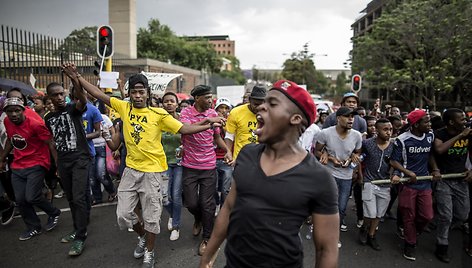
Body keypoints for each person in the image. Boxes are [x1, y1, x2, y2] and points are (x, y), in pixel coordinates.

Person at [67, 63, 224, 268]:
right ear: (129, 94)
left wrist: (209, 122)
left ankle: (150, 252)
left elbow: (184, 129)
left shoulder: (159, 115)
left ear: (147, 93)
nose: (138, 96)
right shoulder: (124, 108)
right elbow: (97, 93)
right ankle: (142, 238)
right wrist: (77, 76)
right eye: (134, 92)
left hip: (153, 172)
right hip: (131, 170)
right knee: (124, 215)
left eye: (141, 92)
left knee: (151, 217)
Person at [200, 80, 339, 268]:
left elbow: (326, 250)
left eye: (272, 104)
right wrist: (207, 259)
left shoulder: (319, 178)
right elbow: (229, 208)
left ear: (295, 119)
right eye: (263, 102)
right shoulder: (247, 154)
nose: (261, 108)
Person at [180, 85, 232, 256]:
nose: (211, 101)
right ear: (197, 98)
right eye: (207, 97)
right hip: (190, 166)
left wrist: (228, 150)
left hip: (209, 165)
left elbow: (216, 137)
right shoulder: (186, 113)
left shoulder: (212, 114)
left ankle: (207, 239)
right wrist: (208, 122)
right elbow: (186, 130)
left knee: (207, 204)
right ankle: (198, 218)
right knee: (191, 203)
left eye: (211, 97)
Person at [0, 97, 62, 240]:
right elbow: (11, 139)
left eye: (17, 110)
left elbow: (50, 143)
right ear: (6, 113)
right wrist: (2, 159)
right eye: (10, 111)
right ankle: (33, 227)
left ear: (23, 110)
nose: (14, 114)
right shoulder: (7, 122)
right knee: (21, 200)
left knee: (32, 196)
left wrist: (58, 165)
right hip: (18, 164)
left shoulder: (35, 124)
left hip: (37, 162)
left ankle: (53, 212)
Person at [44, 79, 91, 256]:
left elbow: (83, 100)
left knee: (78, 197)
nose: (60, 97)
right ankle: (78, 227)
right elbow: (53, 142)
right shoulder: (48, 118)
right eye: (55, 95)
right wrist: (57, 163)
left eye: (61, 93)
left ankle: (80, 237)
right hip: (64, 162)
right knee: (71, 198)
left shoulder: (73, 108)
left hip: (80, 159)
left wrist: (74, 78)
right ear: (49, 97)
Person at [390, 109, 441, 261]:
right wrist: (408, 172)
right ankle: (410, 243)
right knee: (409, 215)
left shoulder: (430, 136)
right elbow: (394, 161)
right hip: (408, 184)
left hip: (424, 182)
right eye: (426, 122)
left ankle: (411, 232)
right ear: (416, 124)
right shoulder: (402, 139)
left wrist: (436, 169)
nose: (429, 124)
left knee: (427, 216)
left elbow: (430, 154)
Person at [315, 107, 363, 247]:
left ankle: (334, 235)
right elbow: (317, 151)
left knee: (341, 208)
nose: (351, 119)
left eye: (352, 117)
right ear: (338, 118)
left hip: (346, 176)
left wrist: (355, 156)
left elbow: (358, 152)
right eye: (347, 117)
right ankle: (325, 234)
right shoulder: (325, 133)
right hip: (329, 174)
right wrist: (328, 156)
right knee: (329, 205)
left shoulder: (357, 136)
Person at [432, 108, 472, 262]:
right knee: (446, 216)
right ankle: (442, 245)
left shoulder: (469, 134)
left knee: (462, 215)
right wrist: (461, 135)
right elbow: (439, 150)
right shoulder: (439, 134)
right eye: (462, 119)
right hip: (444, 180)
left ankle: (438, 223)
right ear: (451, 122)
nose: (466, 121)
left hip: (461, 180)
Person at [358, 118, 394, 250]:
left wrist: (394, 174)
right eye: (385, 129)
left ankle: (371, 235)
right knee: (370, 213)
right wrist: (360, 175)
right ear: (376, 130)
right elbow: (357, 157)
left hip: (385, 184)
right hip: (369, 182)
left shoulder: (395, 145)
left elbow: (397, 162)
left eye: (390, 129)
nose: (389, 132)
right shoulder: (367, 143)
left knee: (379, 214)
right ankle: (364, 228)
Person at [161, 92, 183, 241]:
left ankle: (176, 226)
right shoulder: (158, 120)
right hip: (163, 163)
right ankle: (173, 215)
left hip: (180, 163)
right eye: (166, 101)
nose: (169, 104)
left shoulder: (183, 119)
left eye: (172, 101)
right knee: (164, 197)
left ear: (177, 104)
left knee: (175, 195)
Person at [225, 86, 266, 161]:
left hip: (262, 159)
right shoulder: (236, 112)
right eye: (256, 104)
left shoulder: (269, 114)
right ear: (250, 100)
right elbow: (229, 135)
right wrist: (228, 151)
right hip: (240, 159)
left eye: (261, 105)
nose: (258, 108)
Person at [213, 98, 233, 209]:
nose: (224, 110)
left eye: (226, 108)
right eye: (221, 107)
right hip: (213, 158)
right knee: (213, 187)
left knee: (226, 189)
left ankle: (223, 209)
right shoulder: (212, 121)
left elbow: (228, 137)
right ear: (216, 109)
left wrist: (224, 125)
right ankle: (216, 204)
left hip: (226, 159)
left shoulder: (231, 122)